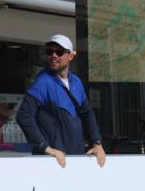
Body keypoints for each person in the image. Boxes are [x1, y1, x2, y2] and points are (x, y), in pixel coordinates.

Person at [16, 34, 106, 168]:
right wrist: (46, 148)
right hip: (52, 162)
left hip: (76, 158)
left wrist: (97, 143)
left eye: (59, 52)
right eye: (49, 52)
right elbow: (24, 116)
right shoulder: (43, 82)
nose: (53, 55)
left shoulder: (76, 82)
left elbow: (88, 114)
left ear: (70, 56)